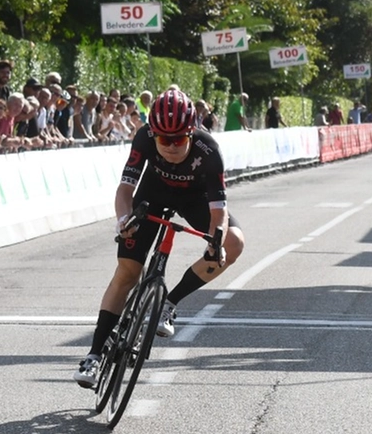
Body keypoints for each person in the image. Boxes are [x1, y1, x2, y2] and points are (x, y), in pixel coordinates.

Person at [74, 89, 246, 388]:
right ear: (153, 134)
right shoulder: (143, 137)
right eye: (163, 139)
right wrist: (123, 221)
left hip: (196, 198)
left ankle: (169, 303)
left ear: (192, 132)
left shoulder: (208, 149)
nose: (170, 146)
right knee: (127, 272)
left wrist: (215, 241)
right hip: (153, 195)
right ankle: (94, 355)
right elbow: (125, 190)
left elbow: (219, 209)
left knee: (234, 243)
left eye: (178, 139)